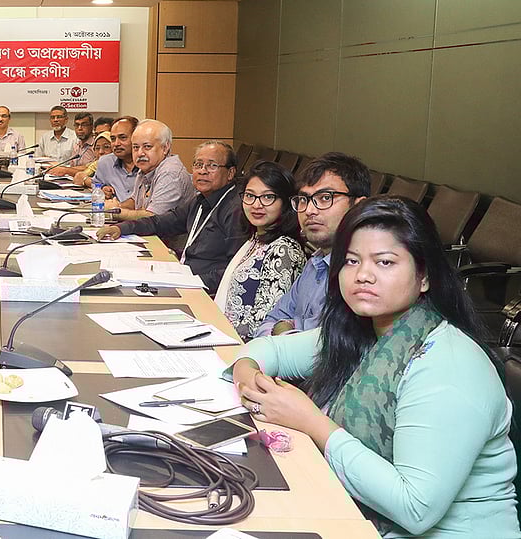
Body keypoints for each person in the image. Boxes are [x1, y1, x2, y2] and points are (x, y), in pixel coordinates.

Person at [231, 197, 519, 537]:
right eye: (351, 261)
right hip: (356, 514)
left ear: (424, 276)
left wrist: (311, 422)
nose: (363, 275)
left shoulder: (447, 364)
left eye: (384, 262)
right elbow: (261, 351)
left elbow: (415, 508)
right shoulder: (363, 330)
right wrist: (253, 385)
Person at [97, 141, 244, 294]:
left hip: (207, 291)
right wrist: (121, 228)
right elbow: (162, 222)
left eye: (212, 166)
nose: (202, 171)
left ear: (231, 173)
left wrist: (194, 282)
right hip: (185, 278)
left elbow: (236, 269)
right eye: (198, 164)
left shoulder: (236, 210)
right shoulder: (200, 200)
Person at [254, 152, 370, 337]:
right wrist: (284, 332)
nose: (309, 210)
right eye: (304, 199)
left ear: (358, 206)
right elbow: (271, 320)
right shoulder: (315, 262)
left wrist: (284, 333)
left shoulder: (363, 276)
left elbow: (321, 353)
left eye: (325, 198)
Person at [213, 161, 307, 340]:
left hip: (245, 351)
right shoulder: (256, 238)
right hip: (225, 337)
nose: (256, 205)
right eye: (250, 196)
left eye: (268, 197)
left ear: (285, 203)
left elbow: (266, 324)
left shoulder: (284, 250)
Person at [105, 119, 193, 219]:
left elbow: (153, 218)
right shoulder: (146, 167)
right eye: (135, 147)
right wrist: (117, 206)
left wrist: (115, 212)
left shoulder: (170, 173)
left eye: (147, 147)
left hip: (164, 234)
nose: (140, 153)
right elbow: (135, 201)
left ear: (165, 148)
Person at [82, 116, 140, 198]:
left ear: (136, 138)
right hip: (110, 209)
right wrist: (102, 189)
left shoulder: (148, 164)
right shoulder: (105, 162)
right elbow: (95, 184)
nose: (116, 143)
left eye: (122, 138)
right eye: (113, 139)